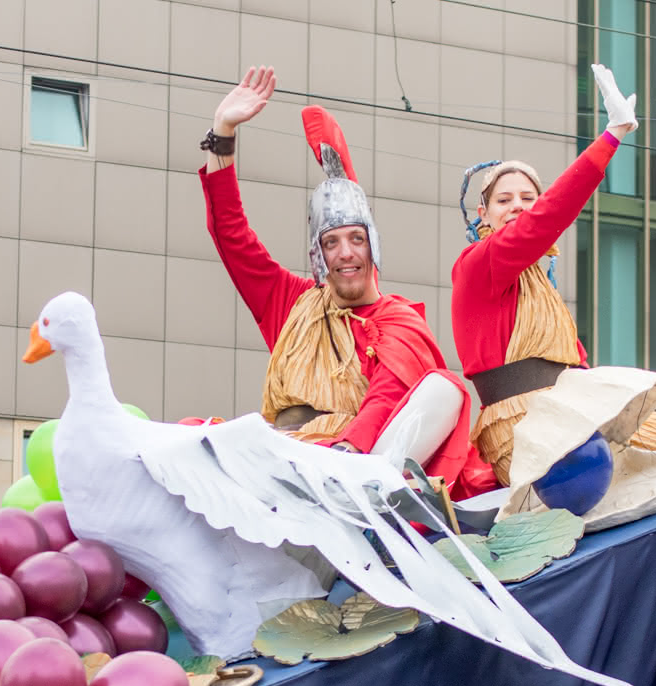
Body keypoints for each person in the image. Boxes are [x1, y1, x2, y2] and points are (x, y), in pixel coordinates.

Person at [198, 66, 493, 496]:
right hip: (278, 458)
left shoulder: (398, 321)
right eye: (331, 242)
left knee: (443, 388)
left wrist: (348, 454)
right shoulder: (292, 302)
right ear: (318, 254)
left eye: (356, 238)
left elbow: (386, 395)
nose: (346, 253)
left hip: (349, 469)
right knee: (186, 441)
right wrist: (222, 132)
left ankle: (366, 496)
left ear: (373, 244)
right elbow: (230, 233)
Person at [449, 65, 656, 486]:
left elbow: (575, 364)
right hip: (525, 431)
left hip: (568, 413)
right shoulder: (478, 263)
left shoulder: (537, 284)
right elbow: (549, 217)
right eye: (504, 199)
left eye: (529, 198)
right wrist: (611, 137)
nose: (519, 207)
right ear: (482, 214)